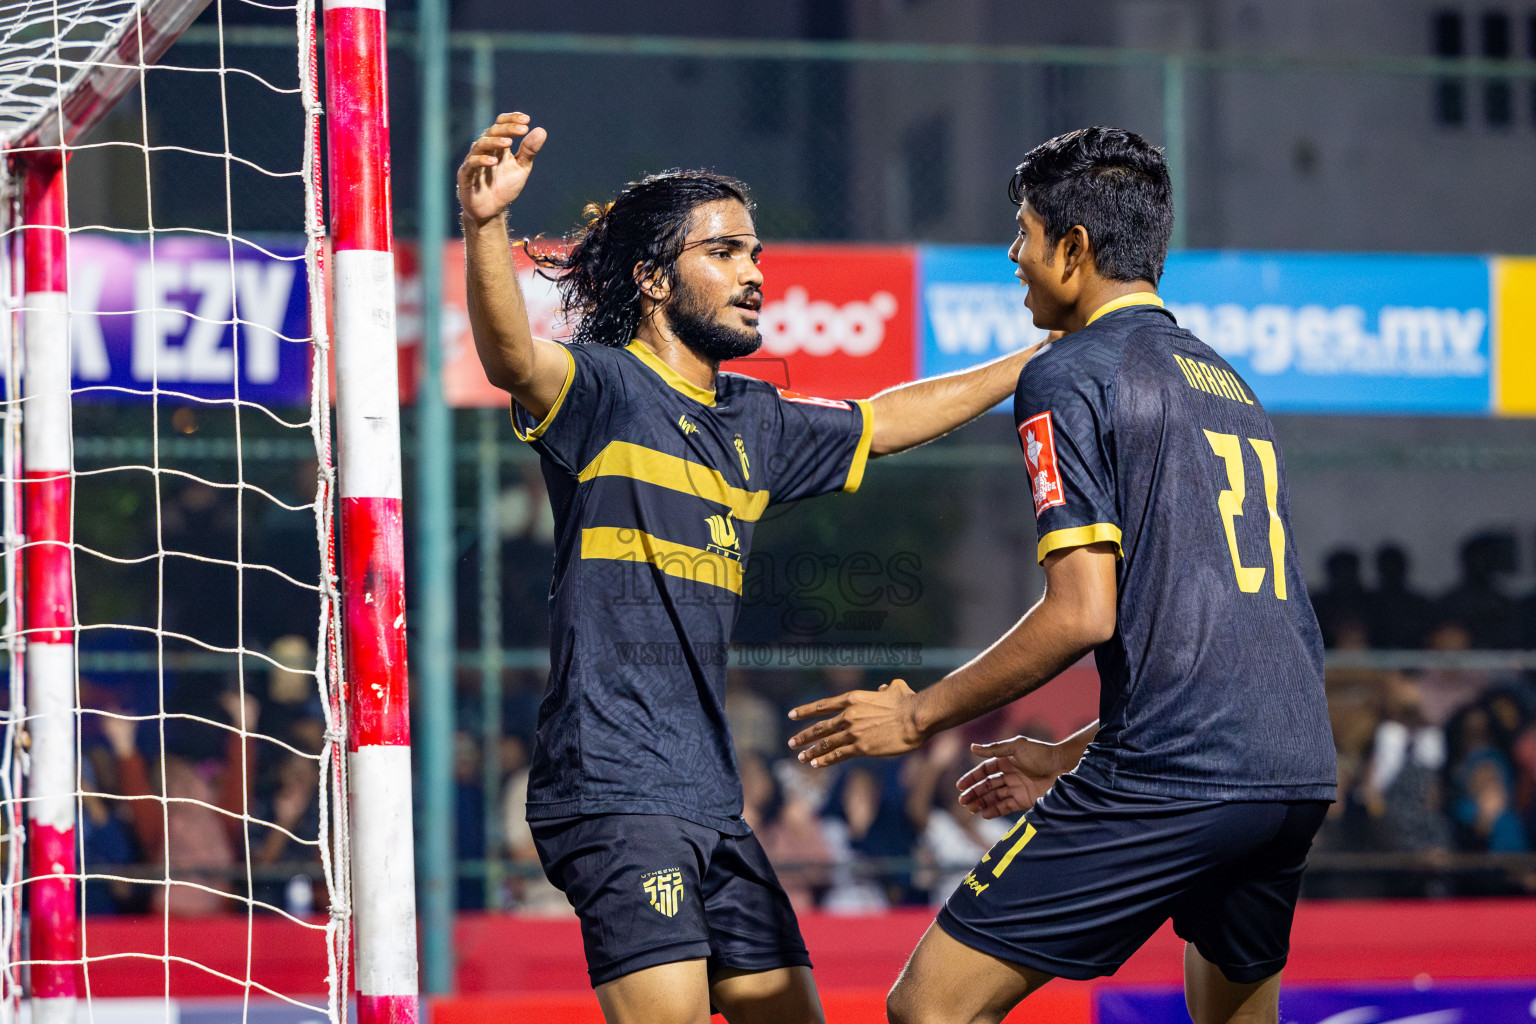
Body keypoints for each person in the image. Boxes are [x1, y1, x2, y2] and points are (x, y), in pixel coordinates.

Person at [457, 111, 1042, 1024]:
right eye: (724, 252)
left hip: (712, 799)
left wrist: (1045, 355)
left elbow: (889, 420)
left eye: (755, 253)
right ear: (653, 278)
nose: (754, 273)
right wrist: (486, 224)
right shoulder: (606, 390)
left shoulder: (756, 421)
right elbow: (508, 356)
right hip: (612, 787)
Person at [786, 127, 1337, 1024]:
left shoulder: (1073, 373)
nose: (1014, 256)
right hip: (1293, 768)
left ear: (1074, 249)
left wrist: (916, 715)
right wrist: (1063, 755)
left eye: (1025, 233)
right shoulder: (1226, 381)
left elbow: (1083, 613)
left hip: (1174, 772)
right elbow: (1222, 642)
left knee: (929, 1006)